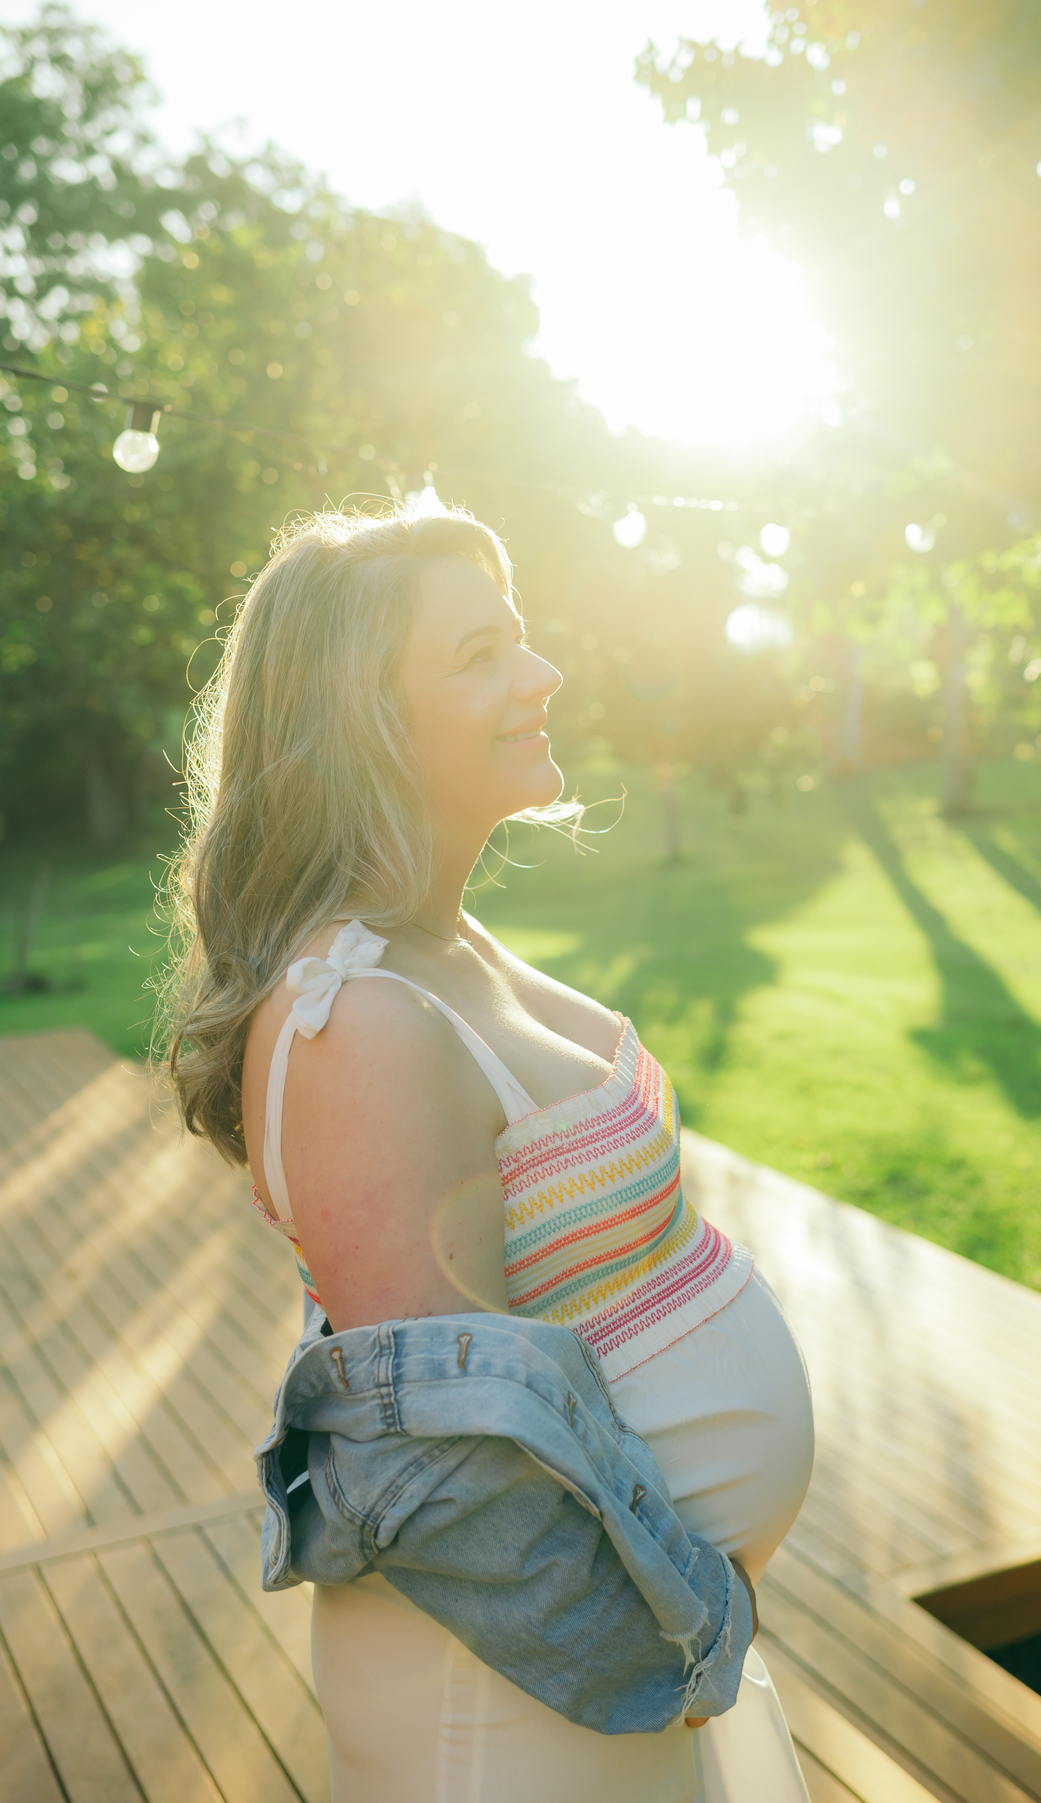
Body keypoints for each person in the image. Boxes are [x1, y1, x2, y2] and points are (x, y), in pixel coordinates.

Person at [165, 505, 815, 1802]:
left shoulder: (438, 949)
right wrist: (699, 1624)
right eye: (480, 653)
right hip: (515, 1708)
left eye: (518, 638)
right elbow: (449, 1473)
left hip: (596, 1679)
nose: (542, 676)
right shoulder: (357, 1020)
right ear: (361, 719)